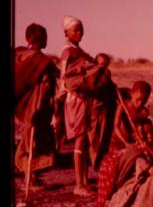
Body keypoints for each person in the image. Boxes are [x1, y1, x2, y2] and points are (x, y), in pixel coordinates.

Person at [15, 23, 60, 187]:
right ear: (43, 40)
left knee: (30, 136)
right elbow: (51, 79)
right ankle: (30, 178)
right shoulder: (42, 61)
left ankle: (31, 175)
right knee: (32, 138)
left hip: (23, 102)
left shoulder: (20, 55)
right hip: (35, 104)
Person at [96, 80, 151, 207]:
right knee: (114, 168)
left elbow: (140, 127)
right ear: (132, 95)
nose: (140, 103)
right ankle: (111, 197)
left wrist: (140, 136)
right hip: (117, 142)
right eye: (138, 100)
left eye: (144, 101)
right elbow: (116, 126)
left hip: (132, 142)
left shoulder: (143, 111)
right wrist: (125, 143)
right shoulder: (123, 106)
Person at [105, 117, 153, 207]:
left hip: (136, 189)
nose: (149, 136)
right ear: (136, 136)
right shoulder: (139, 156)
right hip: (131, 195)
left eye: (151, 132)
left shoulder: (145, 152)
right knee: (152, 180)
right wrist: (152, 151)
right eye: (145, 134)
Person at [59, 15, 96, 196]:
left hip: (82, 97)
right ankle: (79, 185)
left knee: (84, 139)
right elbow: (64, 76)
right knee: (80, 139)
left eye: (81, 29)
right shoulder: (68, 52)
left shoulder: (77, 50)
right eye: (76, 30)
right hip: (75, 98)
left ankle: (84, 181)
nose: (80, 33)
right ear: (66, 33)